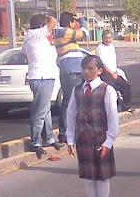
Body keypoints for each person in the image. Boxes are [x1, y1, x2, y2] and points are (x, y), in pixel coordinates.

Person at [66, 54, 119, 197]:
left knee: (102, 177)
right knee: (89, 177)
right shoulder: (78, 90)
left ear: (99, 70)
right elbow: (71, 114)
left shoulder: (106, 89)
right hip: (83, 137)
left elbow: (112, 117)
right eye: (84, 68)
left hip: (100, 137)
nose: (86, 72)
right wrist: (70, 139)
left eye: (90, 68)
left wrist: (108, 141)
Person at [21, 13, 64, 156]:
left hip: (45, 76)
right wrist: (47, 17)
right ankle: (35, 142)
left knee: (46, 110)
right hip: (41, 77)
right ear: (41, 26)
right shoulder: (35, 34)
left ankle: (49, 138)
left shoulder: (34, 38)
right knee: (40, 110)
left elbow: (26, 56)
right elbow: (53, 21)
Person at [53, 12, 88, 143]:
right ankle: (64, 134)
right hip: (70, 72)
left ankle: (71, 132)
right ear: (70, 23)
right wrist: (81, 19)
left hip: (74, 71)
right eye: (74, 22)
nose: (76, 24)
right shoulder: (63, 32)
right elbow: (84, 33)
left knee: (75, 102)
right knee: (68, 103)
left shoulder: (66, 35)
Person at [96, 30, 132, 112]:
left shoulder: (111, 47)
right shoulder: (100, 48)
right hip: (106, 74)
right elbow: (103, 64)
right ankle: (112, 110)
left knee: (126, 86)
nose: (107, 40)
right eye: (106, 38)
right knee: (111, 91)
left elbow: (114, 60)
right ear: (102, 38)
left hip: (114, 73)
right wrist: (112, 74)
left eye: (109, 38)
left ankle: (126, 107)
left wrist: (115, 71)